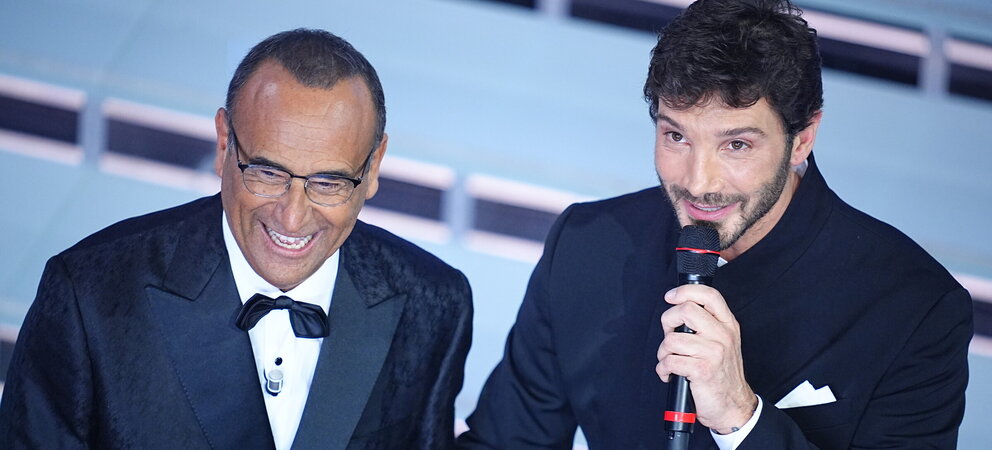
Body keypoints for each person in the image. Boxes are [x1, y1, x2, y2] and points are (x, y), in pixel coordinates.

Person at [457, 0, 972, 448]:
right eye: (676, 137)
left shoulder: (915, 308)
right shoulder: (588, 244)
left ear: (803, 138)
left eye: (737, 144)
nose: (699, 183)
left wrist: (739, 415)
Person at [0, 29, 472, 449]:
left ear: (374, 167)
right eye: (267, 173)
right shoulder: (88, 294)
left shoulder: (435, 303)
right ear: (224, 142)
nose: (292, 216)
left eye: (329, 182)